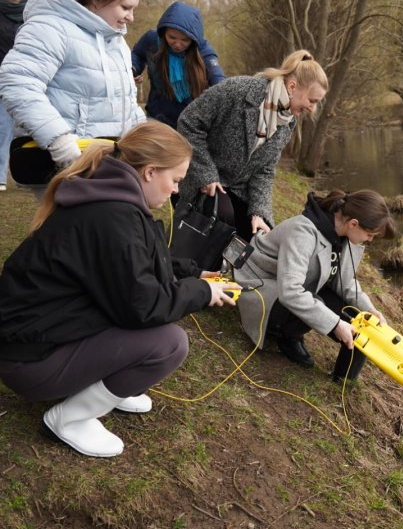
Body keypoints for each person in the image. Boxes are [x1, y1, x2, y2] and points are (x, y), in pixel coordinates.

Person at [0, 122, 238, 458]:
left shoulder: (112, 198)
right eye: (176, 181)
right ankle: (68, 420)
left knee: (153, 317)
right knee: (168, 343)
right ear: (150, 172)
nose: (175, 191)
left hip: (34, 339)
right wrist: (200, 292)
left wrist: (195, 272)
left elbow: (141, 262)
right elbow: (144, 305)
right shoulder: (113, 217)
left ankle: (109, 385)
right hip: (29, 363)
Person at [0, 0, 145, 182]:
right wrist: (59, 141)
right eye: (125, 7)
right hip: (62, 161)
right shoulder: (49, 27)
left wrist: (144, 139)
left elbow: (125, 100)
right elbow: (18, 83)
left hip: (105, 160)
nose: (131, 17)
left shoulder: (117, 43)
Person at [235, 189, 396, 382]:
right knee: (316, 302)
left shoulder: (345, 236)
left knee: (362, 322)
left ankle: (342, 380)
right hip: (264, 285)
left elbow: (345, 283)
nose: (370, 240)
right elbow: (290, 291)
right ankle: (285, 335)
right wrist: (335, 324)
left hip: (301, 284)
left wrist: (369, 309)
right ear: (353, 223)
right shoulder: (303, 232)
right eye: (370, 235)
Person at [177, 49, 327, 243]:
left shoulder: (288, 122)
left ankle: (224, 273)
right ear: (292, 86)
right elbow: (188, 122)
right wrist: (206, 174)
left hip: (238, 190)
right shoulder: (238, 90)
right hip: (202, 178)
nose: (312, 108)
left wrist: (259, 211)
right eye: (312, 100)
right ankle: (191, 268)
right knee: (223, 217)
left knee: (259, 235)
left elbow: (264, 170)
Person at [131, 1, 225, 129]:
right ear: (164, 32)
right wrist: (133, 69)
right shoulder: (151, 40)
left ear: (193, 39)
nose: (177, 44)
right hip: (157, 116)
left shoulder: (204, 51)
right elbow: (137, 54)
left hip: (191, 120)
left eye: (184, 40)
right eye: (172, 37)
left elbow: (219, 81)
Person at [0, 0, 38, 191]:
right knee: (3, 128)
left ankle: (28, 175)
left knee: (29, 130)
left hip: (29, 80)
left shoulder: (34, 14)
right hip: (2, 81)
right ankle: (1, 177)